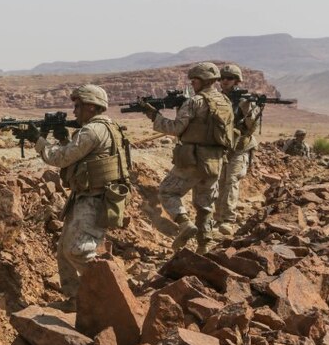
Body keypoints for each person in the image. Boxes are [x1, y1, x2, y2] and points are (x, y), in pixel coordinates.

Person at [32, 85, 130, 304]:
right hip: (88, 196)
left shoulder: (92, 130)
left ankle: (111, 297)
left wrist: (38, 141)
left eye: (78, 106)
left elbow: (60, 159)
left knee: (79, 251)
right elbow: (79, 156)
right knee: (64, 250)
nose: (74, 111)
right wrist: (64, 139)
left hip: (94, 199)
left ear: (92, 107)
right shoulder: (107, 126)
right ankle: (76, 300)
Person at [136, 62, 233, 255]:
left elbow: (175, 129)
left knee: (167, 192)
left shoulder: (194, 102)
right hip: (216, 161)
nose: (193, 84)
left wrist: (154, 115)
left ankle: (184, 223)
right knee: (205, 204)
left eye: (195, 80)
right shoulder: (225, 102)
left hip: (193, 160)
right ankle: (204, 246)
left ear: (203, 80)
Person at [213, 64, 262, 236]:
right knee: (219, 181)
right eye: (222, 78)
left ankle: (228, 220)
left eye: (229, 78)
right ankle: (217, 218)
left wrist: (247, 108)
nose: (224, 81)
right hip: (223, 147)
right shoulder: (217, 98)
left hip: (240, 147)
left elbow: (251, 127)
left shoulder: (244, 100)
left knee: (231, 180)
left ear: (236, 81)